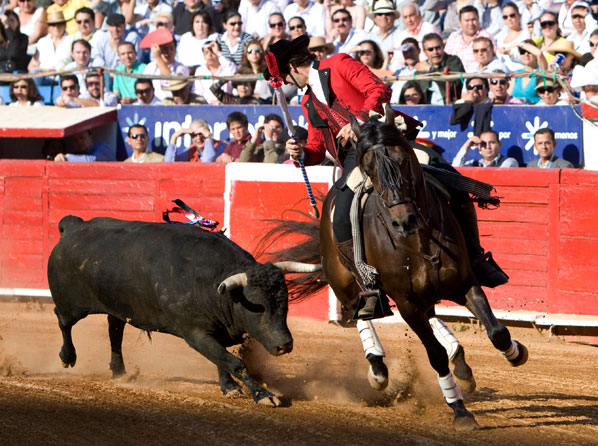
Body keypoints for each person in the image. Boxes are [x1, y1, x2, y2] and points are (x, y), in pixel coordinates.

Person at [264, 35, 425, 318]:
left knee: (438, 169)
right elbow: (317, 147)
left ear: (292, 66)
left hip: (383, 138)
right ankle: (369, 285)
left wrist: (358, 121)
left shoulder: (337, 64)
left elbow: (378, 89)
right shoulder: (306, 103)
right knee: (340, 216)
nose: (286, 84)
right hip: (354, 158)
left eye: (283, 77)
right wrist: (299, 152)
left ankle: (474, 256)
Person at [445, 5, 496, 73]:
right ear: (460, 22)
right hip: (454, 77)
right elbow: (446, 58)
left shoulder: (486, 37)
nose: (471, 23)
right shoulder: (453, 37)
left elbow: (493, 59)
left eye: (473, 20)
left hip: (476, 77)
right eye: (467, 20)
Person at [417, 33, 465, 104]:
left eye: (438, 48)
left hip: (450, 108)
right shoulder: (421, 68)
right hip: (428, 110)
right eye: (430, 49)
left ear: (443, 47)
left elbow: (451, 86)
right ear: (425, 52)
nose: (435, 52)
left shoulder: (453, 61)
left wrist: (431, 69)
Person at [143, 29, 189, 101]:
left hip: (173, 104)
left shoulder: (181, 68)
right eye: (164, 49)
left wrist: (158, 58)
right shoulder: (150, 67)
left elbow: (172, 82)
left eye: (171, 48)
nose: (168, 52)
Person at [28, 10, 71, 74]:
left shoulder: (71, 40)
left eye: (59, 23)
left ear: (64, 25)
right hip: (43, 76)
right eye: (53, 24)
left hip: (64, 75)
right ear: (48, 27)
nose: (56, 27)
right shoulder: (42, 42)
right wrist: (44, 70)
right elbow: (32, 66)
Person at [452, 130, 518, 167]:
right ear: (479, 147)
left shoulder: (509, 162)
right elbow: (454, 170)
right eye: (483, 144)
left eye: (492, 142)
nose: (488, 147)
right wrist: (466, 145)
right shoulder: (474, 163)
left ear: (499, 144)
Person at [495, 2, 530, 68]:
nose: (509, 19)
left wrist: (509, 52)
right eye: (505, 17)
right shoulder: (500, 38)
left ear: (519, 16)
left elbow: (530, 58)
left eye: (512, 15)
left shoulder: (526, 34)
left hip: (520, 74)